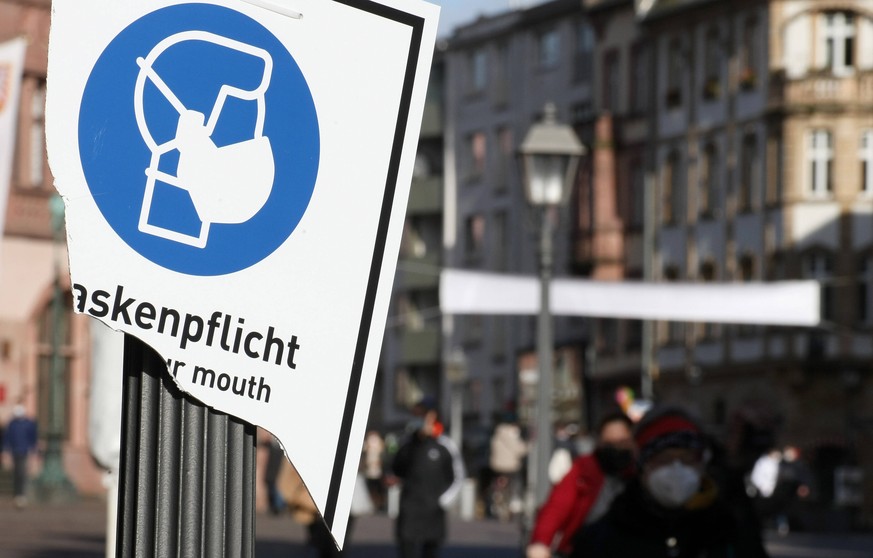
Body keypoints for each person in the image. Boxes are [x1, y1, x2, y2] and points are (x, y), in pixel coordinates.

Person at [570, 406, 770, 558]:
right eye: (663, 459)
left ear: (701, 464)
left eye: (686, 458)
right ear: (642, 465)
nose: (677, 468)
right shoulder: (603, 537)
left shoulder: (726, 529)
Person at [527, 411, 635, 558]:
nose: (616, 449)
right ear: (600, 442)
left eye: (621, 442)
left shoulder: (640, 474)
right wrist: (540, 542)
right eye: (609, 443)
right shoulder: (585, 468)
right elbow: (557, 506)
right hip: (585, 547)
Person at [393, 400, 465, 558]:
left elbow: (458, 476)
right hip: (409, 508)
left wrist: (444, 500)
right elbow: (397, 468)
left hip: (433, 510)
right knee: (406, 549)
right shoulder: (407, 443)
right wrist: (414, 441)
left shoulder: (445, 445)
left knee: (431, 550)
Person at [488, 411, 528, 520]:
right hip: (510, 466)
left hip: (497, 465)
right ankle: (511, 505)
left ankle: (497, 501)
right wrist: (527, 446)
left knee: (499, 485)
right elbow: (519, 449)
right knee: (513, 486)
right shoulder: (511, 433)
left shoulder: (497, 433)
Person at [3, 404, 37, 508]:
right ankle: (18, 494)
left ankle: (21, 495)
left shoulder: (27, 424)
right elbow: (8, 438)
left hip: (24, 451)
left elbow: (32, 438)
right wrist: (5, 451)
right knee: (17, 473)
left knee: (22, 473)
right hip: (15, 451)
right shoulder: (12, 424)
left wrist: (33, 450)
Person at [362, 430, 386, 511]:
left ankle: (379, 503)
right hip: (369, 470)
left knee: (378, 487)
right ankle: (375, 503)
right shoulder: (369, 443)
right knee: (371, 488)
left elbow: (382, 453)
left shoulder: (379, 443)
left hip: (377, 470)